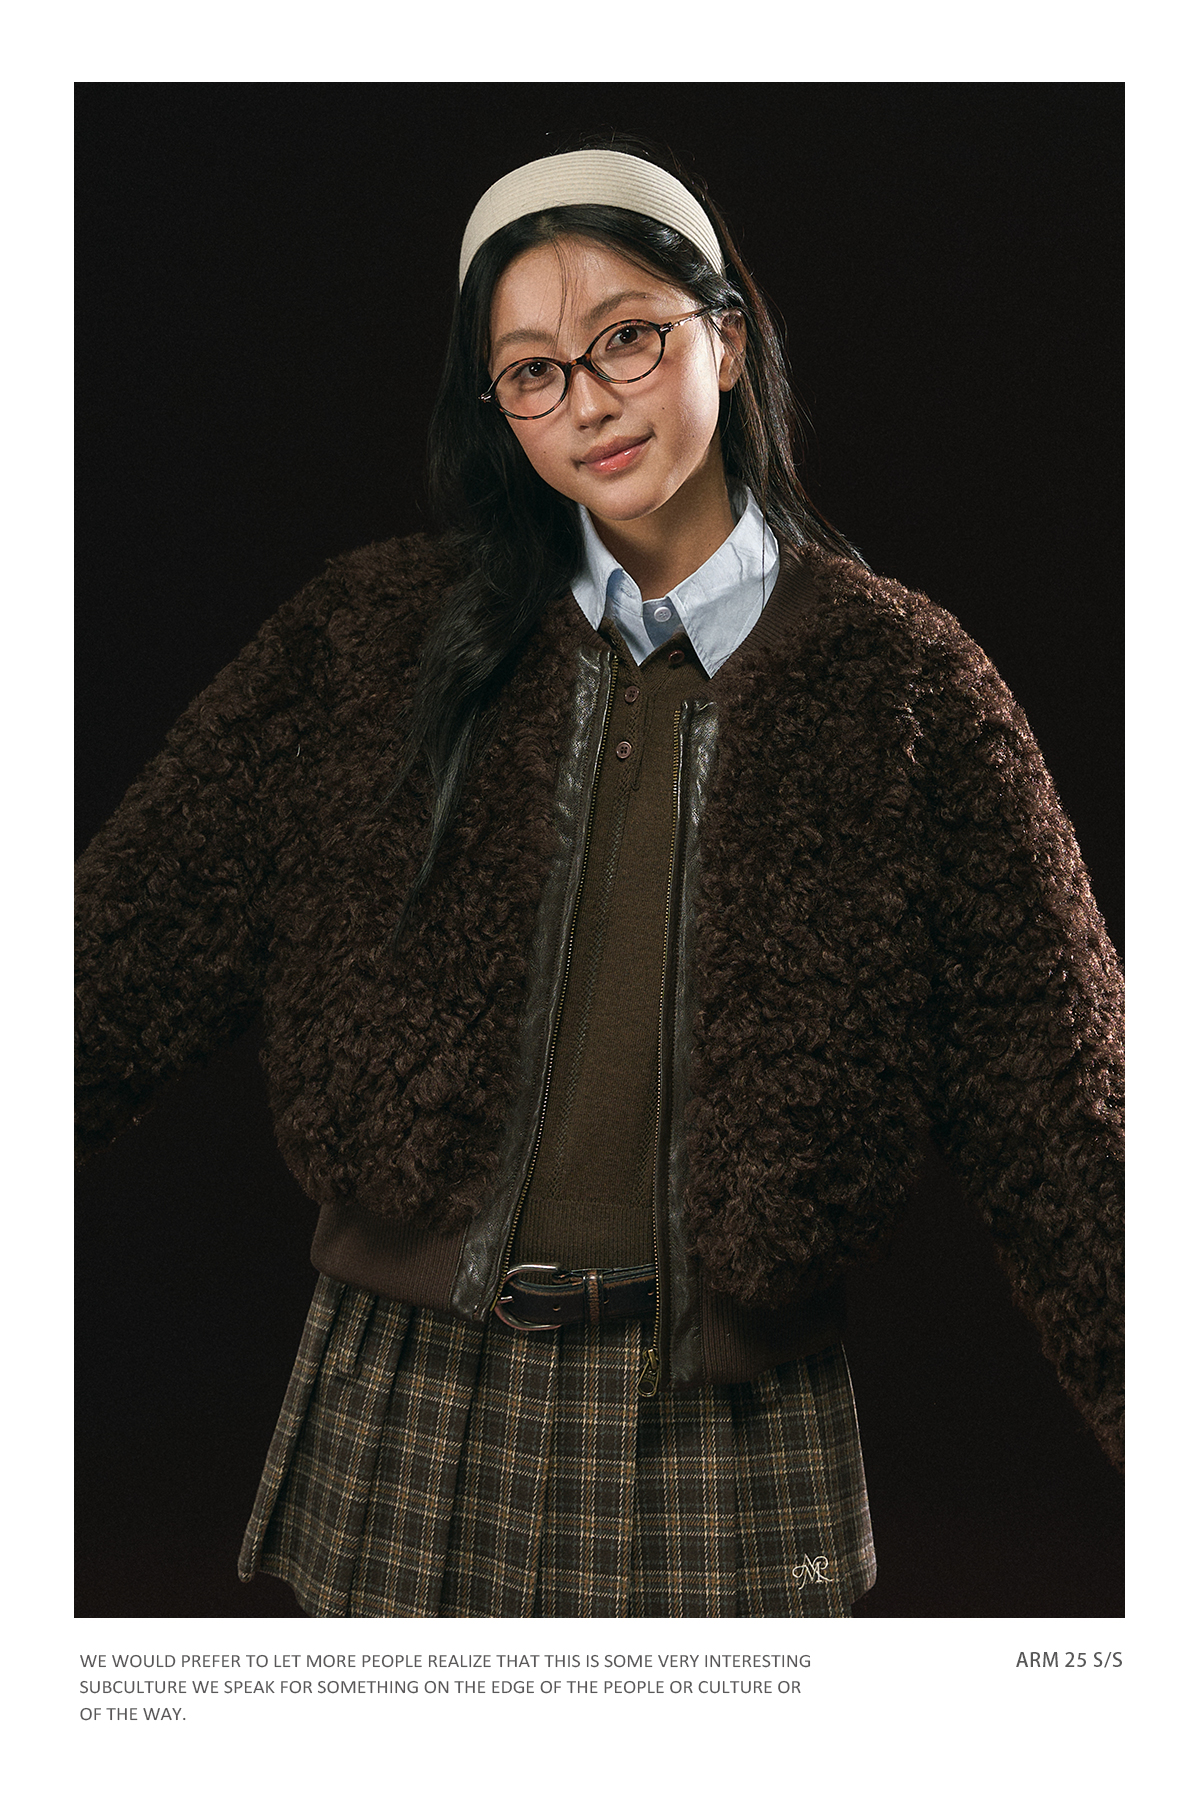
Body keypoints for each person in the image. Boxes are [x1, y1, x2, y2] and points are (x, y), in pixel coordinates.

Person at [75, 141, 1123, 1619]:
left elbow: (1075, 1126)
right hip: (407, 1393)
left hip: (731, 1429)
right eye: (532, 372)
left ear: (727, 341)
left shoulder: (907, 694)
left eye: (628, 338)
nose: (589, 402)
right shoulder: (367, 643)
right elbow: (107, 966)